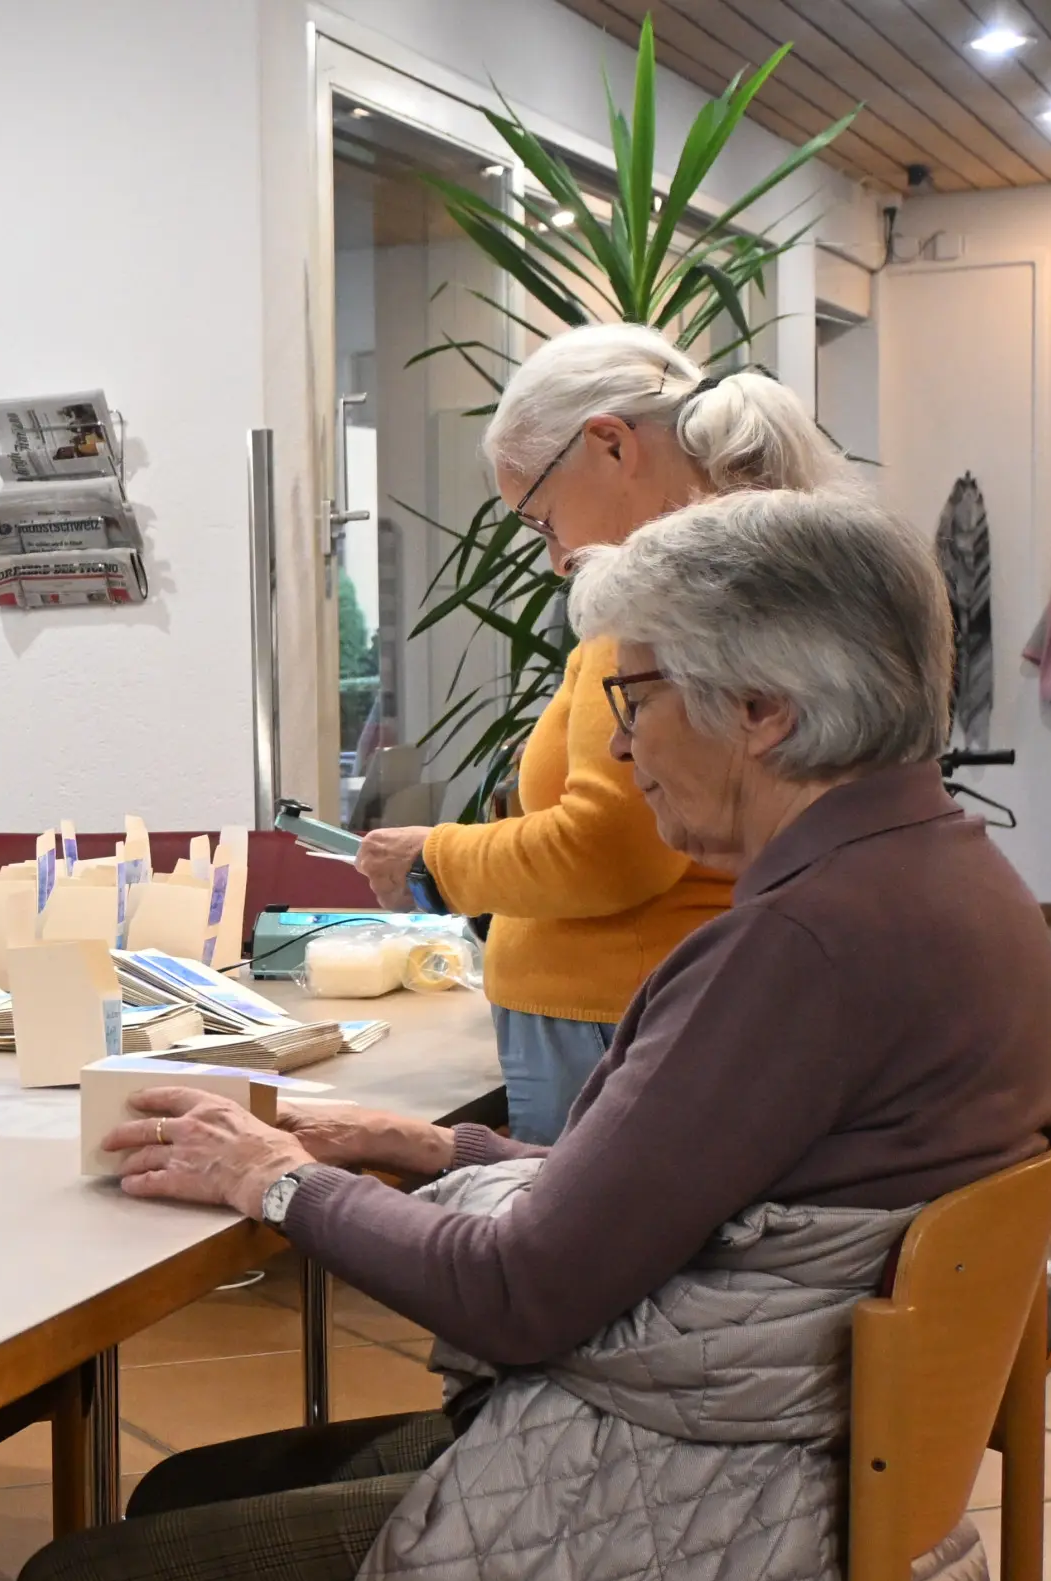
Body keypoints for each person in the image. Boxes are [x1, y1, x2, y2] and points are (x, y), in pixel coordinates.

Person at [17, 491, 1051, 1581]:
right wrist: (440, 1148)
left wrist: (276, 1183)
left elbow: (525, 1296)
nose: (620, 745)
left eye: (638, 697)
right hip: (782, 1466)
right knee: (193, 1487)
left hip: (686, 1520)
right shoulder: (945, 880)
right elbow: (691, 1196)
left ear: (760, 710)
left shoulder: (806, 941)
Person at [354, 323, 849, 1140]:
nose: (554, 559)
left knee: (583, 1255)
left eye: (542, 518)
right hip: (681, 996)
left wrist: (433, 860)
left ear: (612, 445)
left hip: (620, 1013)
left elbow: (612, 847)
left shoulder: (664, 618)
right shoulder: (772, 582)